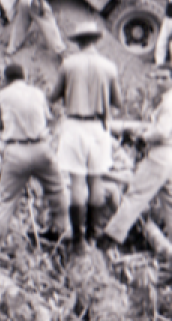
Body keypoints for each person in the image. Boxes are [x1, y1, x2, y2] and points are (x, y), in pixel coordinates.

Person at [98, 65, 172, 278]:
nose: (159, 82)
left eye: (163, 78)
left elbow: (161, 131)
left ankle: (110, 238)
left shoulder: (169, 103)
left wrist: (139, 138)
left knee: (136, 195)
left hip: (159, 155)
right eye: (156, 77)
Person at [49, 21, 121, 251]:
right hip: (98, 126)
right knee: (96, 181)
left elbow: (54, 95)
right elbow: (118, 101)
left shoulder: (68, 64)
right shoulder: (109, 66)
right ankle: (94, 232)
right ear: (97, 40)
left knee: (77, 181)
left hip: (74, 124)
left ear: (78, 41)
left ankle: (78, 237)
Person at [0, 64, 70, 247]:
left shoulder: (1, 96)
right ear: (25, 76)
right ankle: (63, 233)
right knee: (57, 190)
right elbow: (48, 118)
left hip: (16, 151)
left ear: (6, 79)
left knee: (5, 202)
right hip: (41, 148)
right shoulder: (37, 93)